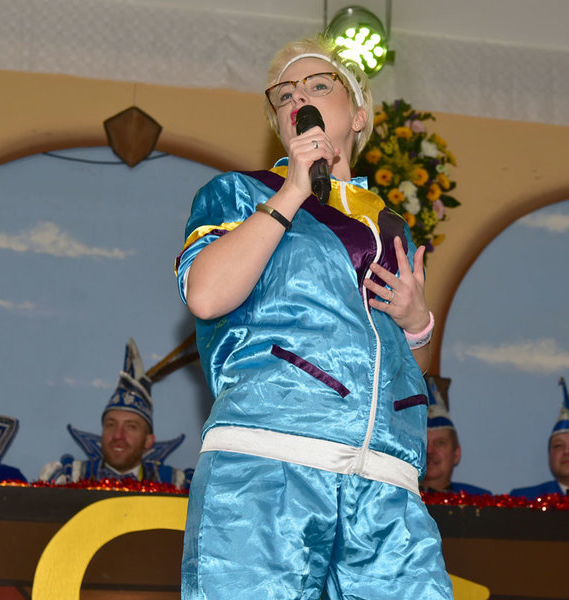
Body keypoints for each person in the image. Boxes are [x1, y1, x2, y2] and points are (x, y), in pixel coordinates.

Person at [175, 36, 452, 600]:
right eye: (283, 95)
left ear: (359, 115)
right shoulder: (240, 193)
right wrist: (293, 192)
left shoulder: (391, 224)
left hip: (388, 479)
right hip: (269, 465)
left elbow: (403, 363)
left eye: (318, 85)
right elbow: (205, 296)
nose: (297, 98)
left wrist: (417, 323)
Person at [39, 339, 190, 489]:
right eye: (111, 425)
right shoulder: (67, 477)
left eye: (131, 427)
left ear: (148, 441)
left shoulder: (177, 484)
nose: (118, 435)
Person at [419, 375, 492, 495]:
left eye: (440, 443)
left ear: (456, 454)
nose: (430, 451)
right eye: (423, 443)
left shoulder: (481, 500)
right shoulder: (390, 500)